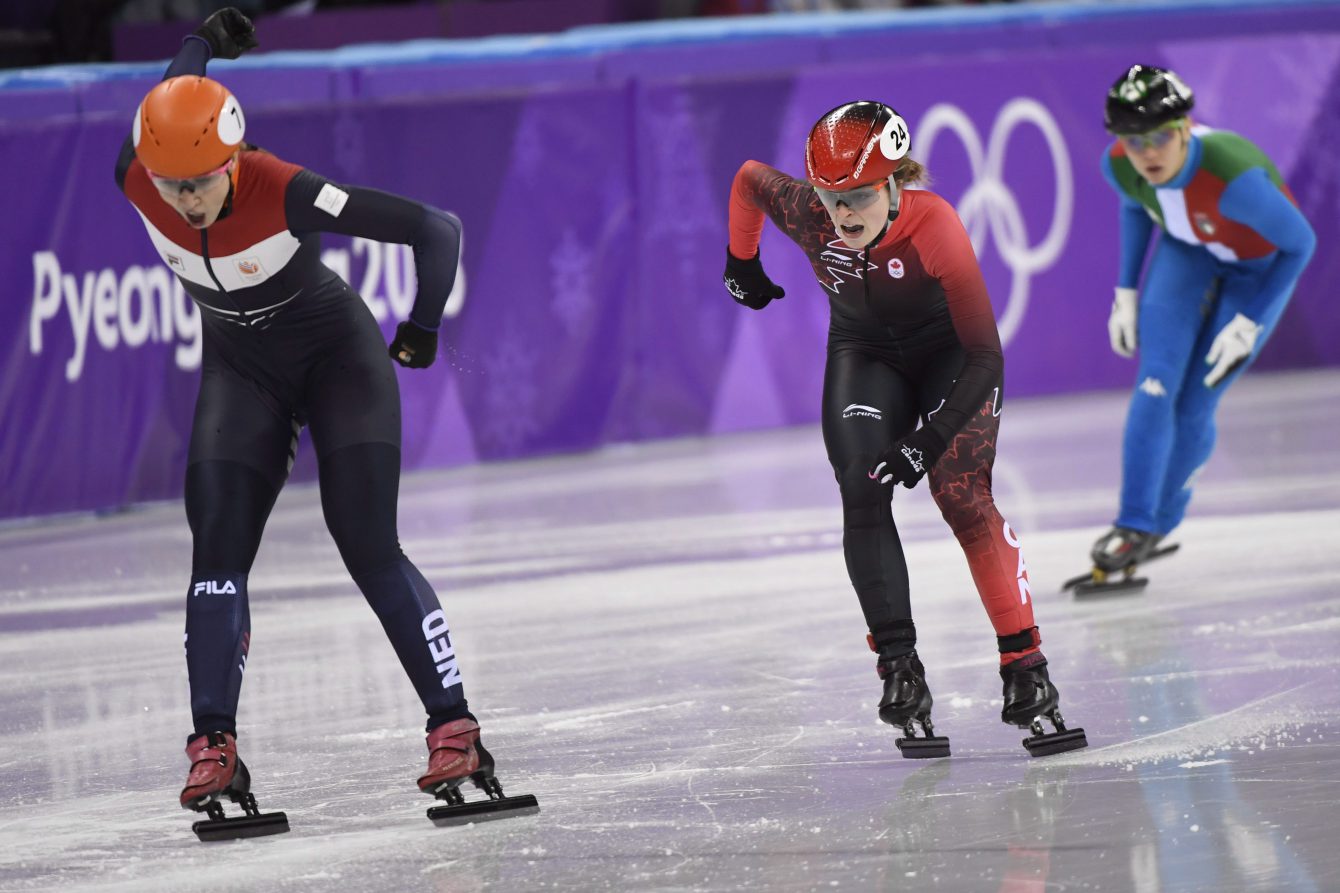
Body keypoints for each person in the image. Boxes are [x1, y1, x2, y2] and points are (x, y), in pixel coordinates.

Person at [117, 9, 534, 837]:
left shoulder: (282, 186)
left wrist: (420, 327)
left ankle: (456, 729)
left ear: (234, 158)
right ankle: (213, 745)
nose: (188, 201)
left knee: (368, 543)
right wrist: (204, 38)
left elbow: (433, 228)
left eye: (202, 183)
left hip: (341, 364)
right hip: (243, 376)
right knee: (217, 554)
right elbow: (170, 89)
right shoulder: (137, 169)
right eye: (173, 187)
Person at [723, 101, 1086, 758]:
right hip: (865, 356)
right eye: (834, 198)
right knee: (862, 489)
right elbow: (749, 179)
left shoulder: (935, 226)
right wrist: (741, 260)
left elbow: (985, 356)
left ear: (894, 182)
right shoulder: (809, 211)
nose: (845, 213)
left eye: (860, 194)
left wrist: (930, 437)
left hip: (952, 357)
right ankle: (899, 666)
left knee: (960, 491)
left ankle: (1026, 665)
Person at [1078, 65, 1316, 592]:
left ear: (1186, 127)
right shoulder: (1120, 165)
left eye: (1161, 136)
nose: (1148, 152)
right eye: (1134, 141)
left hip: (1257, 273)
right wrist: (1125, 293)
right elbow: (1136, 208)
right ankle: (1132, 524)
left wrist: (1250, 321)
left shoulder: (1236, 182)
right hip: (1190, 253)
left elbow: (1300, 245)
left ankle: (1162, 522)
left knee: (1195, 401)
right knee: (1155, 381)